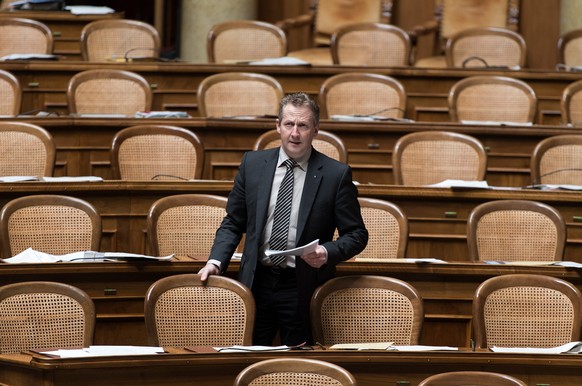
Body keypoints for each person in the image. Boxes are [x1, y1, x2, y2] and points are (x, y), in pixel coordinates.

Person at [199, 92, 368, 346]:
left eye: (303, 126)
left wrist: (326, 252)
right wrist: (216, 261)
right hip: (256, 282)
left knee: (298, 366)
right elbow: (234, 221)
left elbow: (357, 234)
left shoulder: (336, 175)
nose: (295, 133)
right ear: (278, 126)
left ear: (316, 130)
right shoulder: (252, 164)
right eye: (289, 124)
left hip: (302, 285)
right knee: (250, 358)